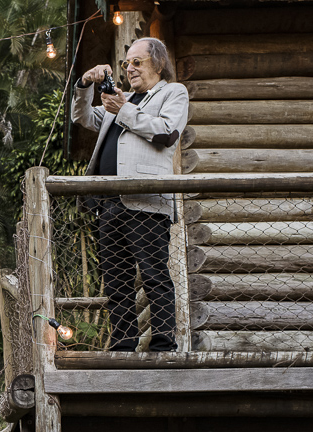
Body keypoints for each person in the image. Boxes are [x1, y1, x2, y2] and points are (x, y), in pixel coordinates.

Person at [71, 37, 189, 353]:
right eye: (127, 63)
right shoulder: (120, 102)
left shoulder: (172, 93)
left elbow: (165, 133)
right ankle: (123, 344)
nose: (130, 68)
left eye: (137, 61)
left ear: (158, 63)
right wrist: (85, 83)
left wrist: (122, 109)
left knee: (153, 274)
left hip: (147, 202)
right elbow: (82, 117)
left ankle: (163, 344)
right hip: (109, 203)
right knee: (117, 284)